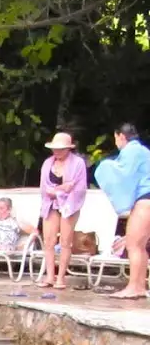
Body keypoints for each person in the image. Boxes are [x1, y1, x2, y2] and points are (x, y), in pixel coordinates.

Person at [95, 123, 150, 299]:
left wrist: (104, 166)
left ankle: (134, 287)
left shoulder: (132, 151)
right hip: (146, 199)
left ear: (120, 136)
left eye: (116, 138)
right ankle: (139, 286)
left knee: (133, 245)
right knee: (140, 246)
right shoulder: (142, 151)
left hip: (146, 200)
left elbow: (122, 174)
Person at [35, 132, 88, 289]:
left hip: (69, 205)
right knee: (49, 241)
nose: (56, 152)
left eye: (60, 149)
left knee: (65, 242)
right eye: (55, 149)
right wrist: (62, 189)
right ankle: (50, 276)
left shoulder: (78, 163)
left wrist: (58, 191)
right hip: (50, 204)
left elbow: (78, 189)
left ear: (68, 149)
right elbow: (45, 188)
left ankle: (61, 278)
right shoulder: (47, 163)